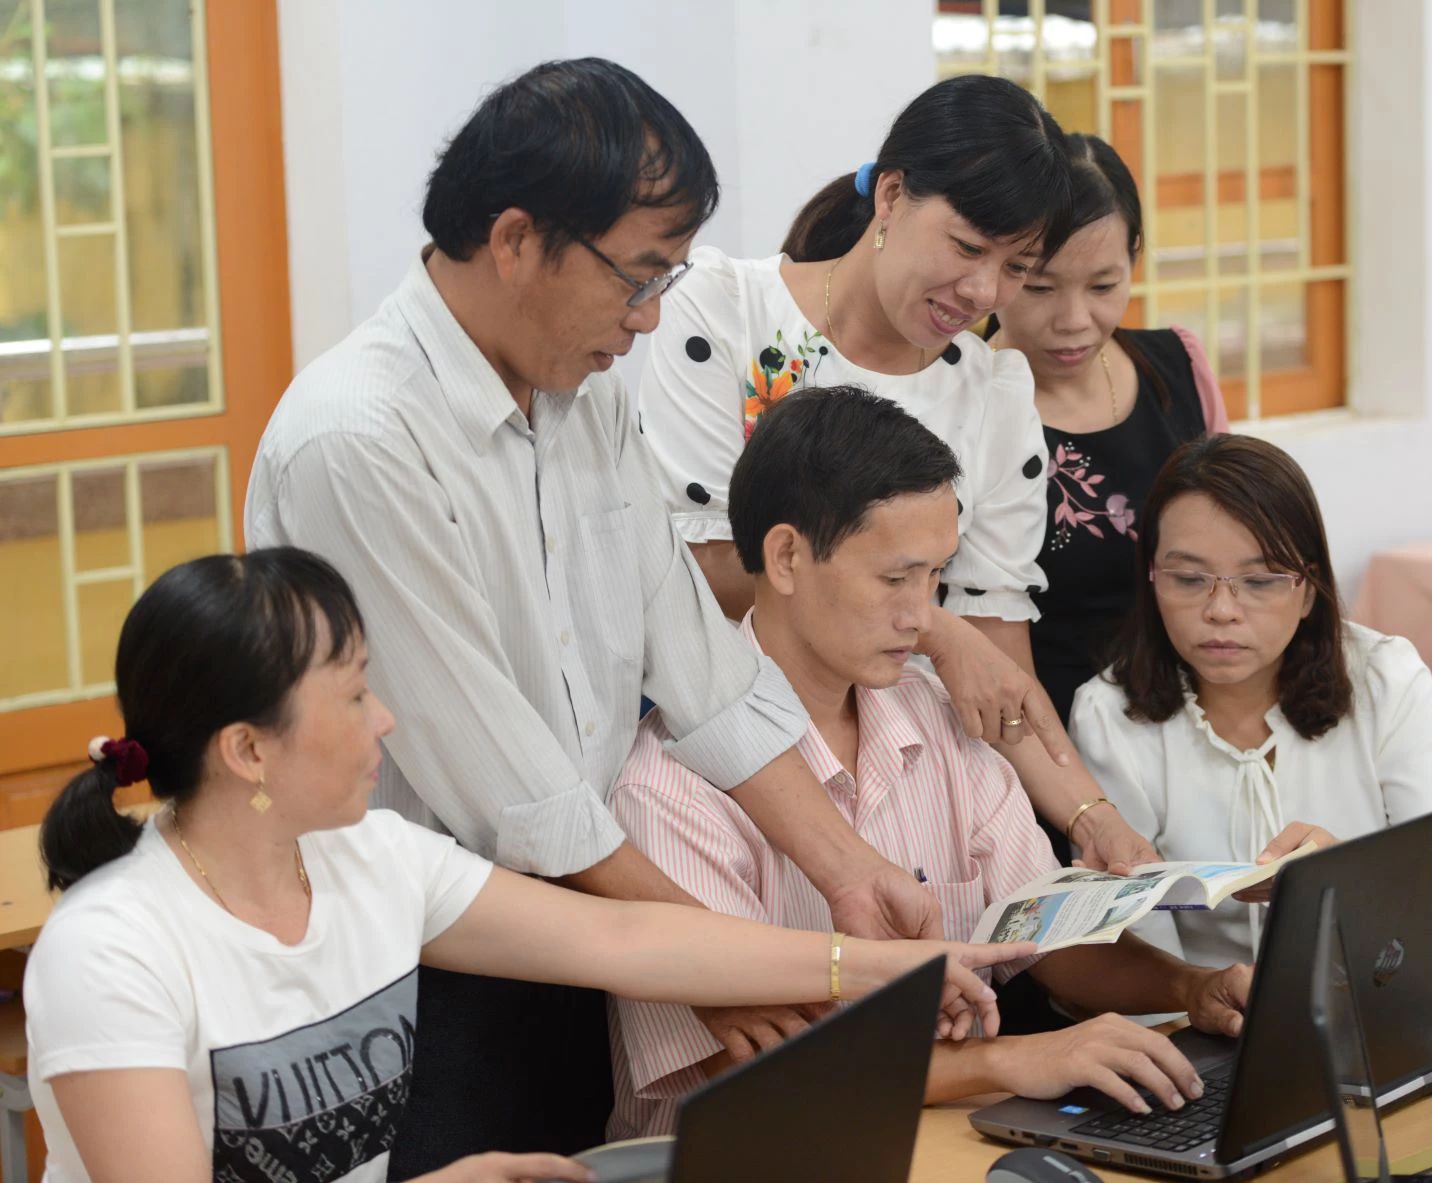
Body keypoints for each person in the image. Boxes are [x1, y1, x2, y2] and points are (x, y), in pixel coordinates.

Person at [244, 59, 941, 1172]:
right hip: (419, 964)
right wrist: (713, 958)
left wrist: (847, 865)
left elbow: (697, 663)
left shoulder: (588, 393)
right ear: (516, 239)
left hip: (591, 926)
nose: (653, 317)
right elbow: (509, 791)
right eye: (637, 275)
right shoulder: (361, 440)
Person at [24, 549, 1027, 1183]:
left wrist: (874, 965)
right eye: (353, 694)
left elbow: (626, 938)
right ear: (248, 749)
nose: (385, 719)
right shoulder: (111, 949)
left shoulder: (373, 857)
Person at [606, 388, 1253, 1138]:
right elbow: (757, 1071)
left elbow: (1046, 936)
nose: (923, 614)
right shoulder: (668, 788)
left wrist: (1191, 986)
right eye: (895, 578)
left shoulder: (936, 714)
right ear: (786, 556)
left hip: (953, 1141)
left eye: (937, 576)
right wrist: (1016, 1059)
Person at [635, 72, 1165, 878]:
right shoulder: (723, 314)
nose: (983, 291)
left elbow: (995, 664)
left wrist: (1091, 816)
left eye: (1017, 266)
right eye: (967, 247)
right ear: (890, 195)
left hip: (915, 781)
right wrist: (938, 629)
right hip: (723, 770)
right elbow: (700, 583)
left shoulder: (991, 392)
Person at [1069, 434, 1432, 969]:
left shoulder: (1386, 679)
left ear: (1307, 590)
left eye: (1259, 581)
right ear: (1151, 579)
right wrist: (1202, 1003)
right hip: (1197, 1024)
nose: (1222, 610)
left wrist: (1347, 882)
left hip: (1376, 988)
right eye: (1189, 579)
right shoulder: (1107, 716)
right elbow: (1137, 949)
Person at [988, 134, 1228, 736]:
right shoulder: (962, 403)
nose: (1073, 321)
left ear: (1135, 257)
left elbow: (1238, 544)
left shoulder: (1178, 369)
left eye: (1102, 286)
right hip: (1033, 740)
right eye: (1039, 287)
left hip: (1190, 726)